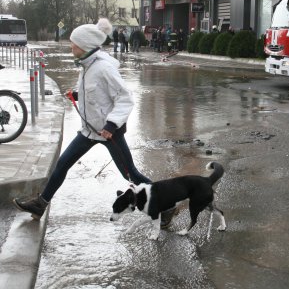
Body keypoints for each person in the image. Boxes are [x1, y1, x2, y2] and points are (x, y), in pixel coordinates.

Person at [13, 18, 176, 228]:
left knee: (131, 174)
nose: (71, 46)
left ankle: (167, 205)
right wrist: (76, 94)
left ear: (85, 46)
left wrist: (111, 126)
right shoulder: (87, 65)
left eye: (74, 43)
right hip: (89, 131)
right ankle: (40, 204)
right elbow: (97, 94)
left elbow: (125, 98)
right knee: (62, 164)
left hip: (109, 133)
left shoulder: (104, 68)